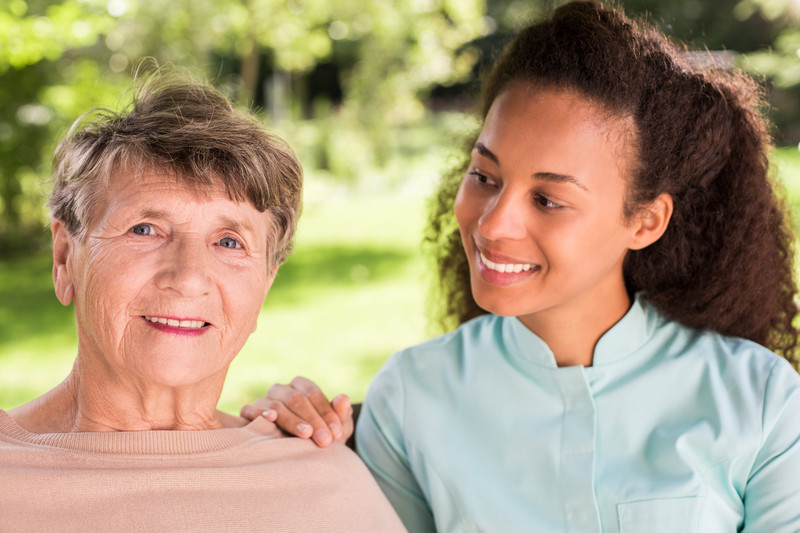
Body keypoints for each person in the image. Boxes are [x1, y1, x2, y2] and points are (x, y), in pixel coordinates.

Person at [241, 2, 800, 531]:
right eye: (484, 176)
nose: (492, 225)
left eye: (549, 199)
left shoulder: (760, 400)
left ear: (646, 221)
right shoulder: (412, 399)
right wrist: (305, 457)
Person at [0, 71, 405, 532]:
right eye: (145, 229)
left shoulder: (328, 482)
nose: (189, 279)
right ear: (64, 257)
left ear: (267, 282)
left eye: (230, 242)